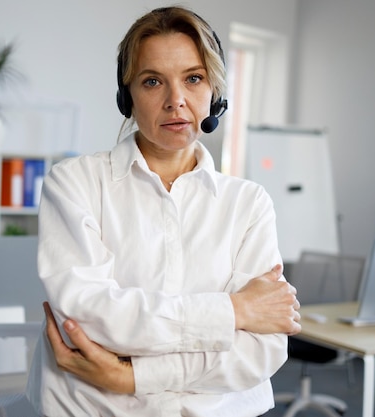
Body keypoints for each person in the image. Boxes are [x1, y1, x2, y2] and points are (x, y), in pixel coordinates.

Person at [26, 6, 301, 416]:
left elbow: (261, 350)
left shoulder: (249, 204)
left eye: (193, 78)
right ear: (127, 97)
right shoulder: (75, 183)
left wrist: (130, 377)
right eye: (153, 81)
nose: (176, 101)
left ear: (215, 93)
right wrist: (235, 311)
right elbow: (90, 319)